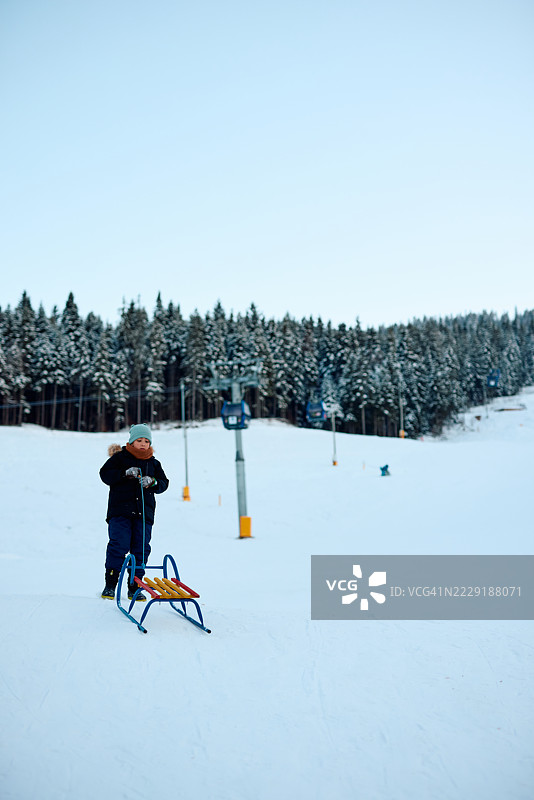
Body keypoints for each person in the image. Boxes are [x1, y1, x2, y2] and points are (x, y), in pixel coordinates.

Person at [100, 423, 169, 600]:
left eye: (146, 441)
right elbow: (105, 474)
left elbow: (163, 483)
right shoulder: (120, 458)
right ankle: (110, 584)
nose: (143, 444)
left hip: (144, 514)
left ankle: (135, 586)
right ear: (131, 441)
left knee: (141, 549)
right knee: (119, 544)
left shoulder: (153, 462)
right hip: (120, 512)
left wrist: (153, 482)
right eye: (139, 440)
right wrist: (124, 474)